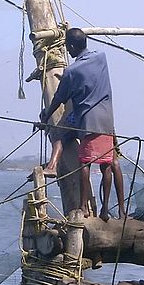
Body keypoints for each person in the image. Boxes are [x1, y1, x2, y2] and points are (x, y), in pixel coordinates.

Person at [40, 28, 125, 221]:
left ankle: (57, 171)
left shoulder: (71, 71)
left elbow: (58, 98)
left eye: (68, 48)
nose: (68, 53)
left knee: (61, 136)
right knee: (109, 163)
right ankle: (118, 210)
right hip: (107, 120)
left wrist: (45, 117)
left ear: (70, 46)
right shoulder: (101, 58)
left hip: (85, 119)